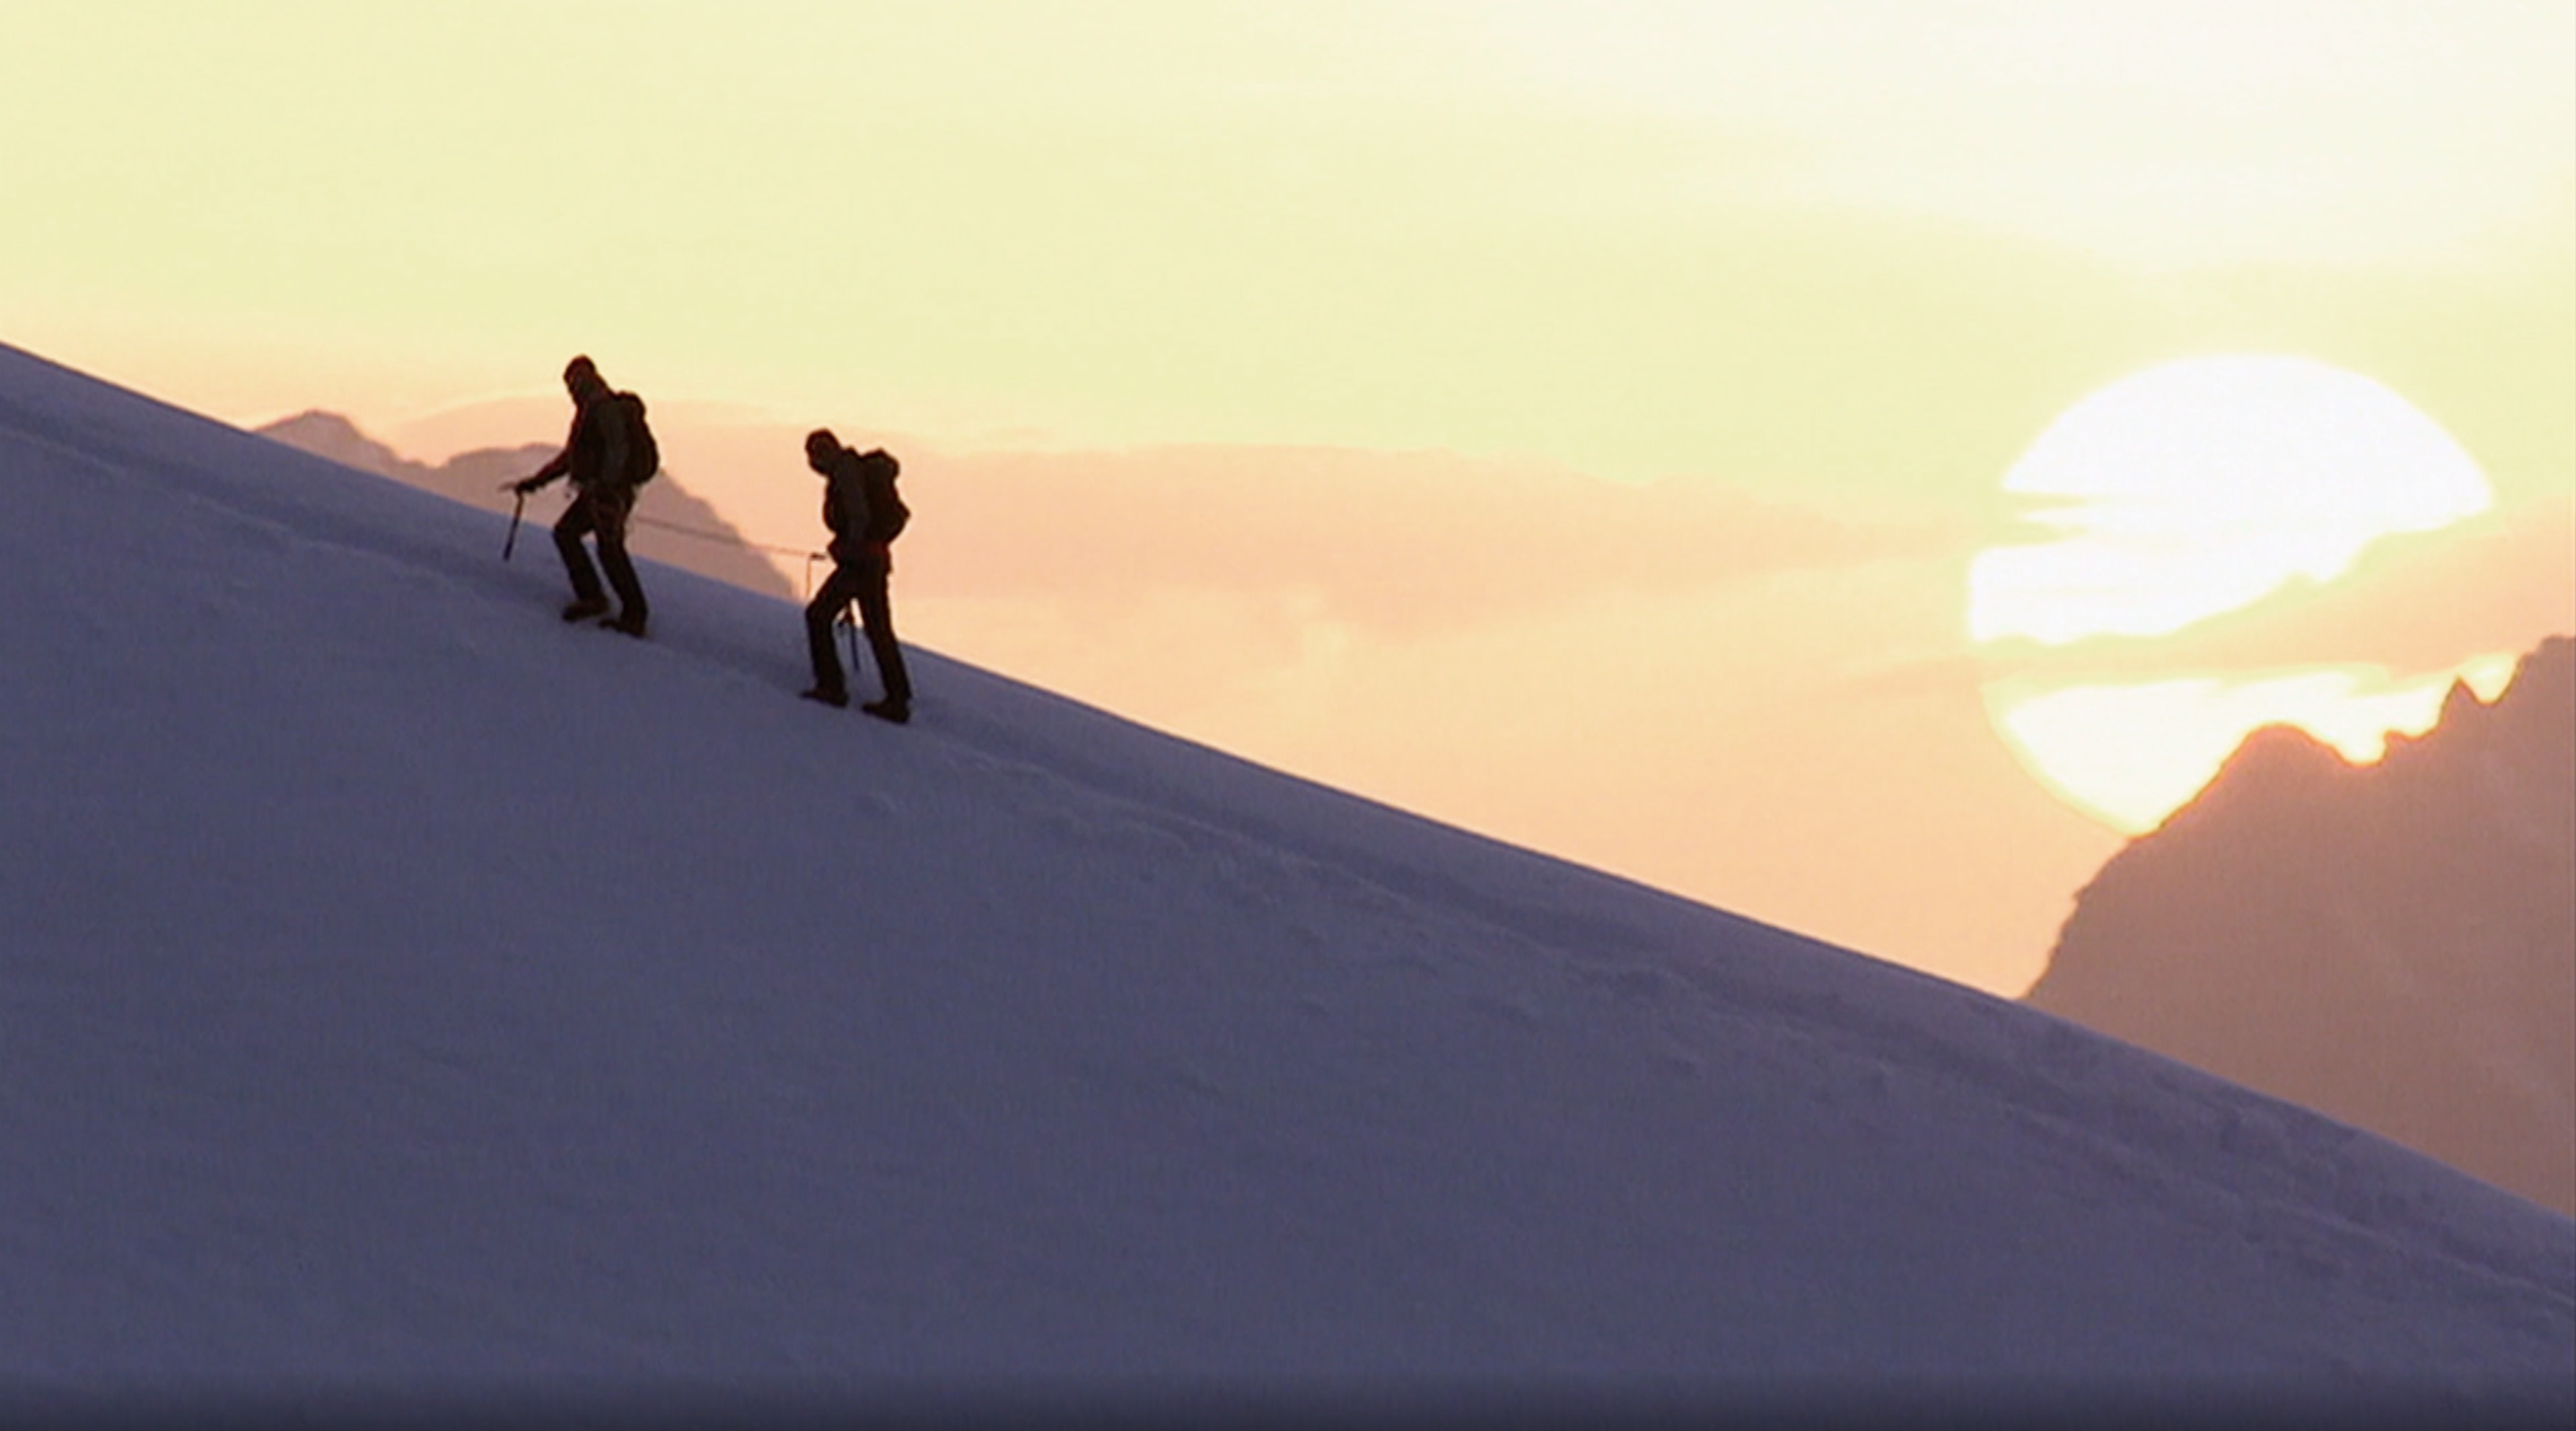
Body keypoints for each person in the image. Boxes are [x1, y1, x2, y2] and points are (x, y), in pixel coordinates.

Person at [511, 356, 653, 637]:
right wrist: (538, 481)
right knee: (573, 535)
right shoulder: (592, 409)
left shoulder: (600, 409)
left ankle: (629, 613)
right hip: (604, 492)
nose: (571, 390)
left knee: (601, 546)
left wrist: (605, 486)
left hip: (607, 494)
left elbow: (616, 450)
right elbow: (574, 457)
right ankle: (604, 602)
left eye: (572, 383)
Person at [801, 428, 912, 723]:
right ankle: (898, 698)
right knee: (878, 629)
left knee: (818, 615)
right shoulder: (852, 468)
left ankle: (831, 685)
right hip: (874, 561)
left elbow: (858, 516)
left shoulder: (845, 472)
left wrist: (847, 547)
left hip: (859, 563)